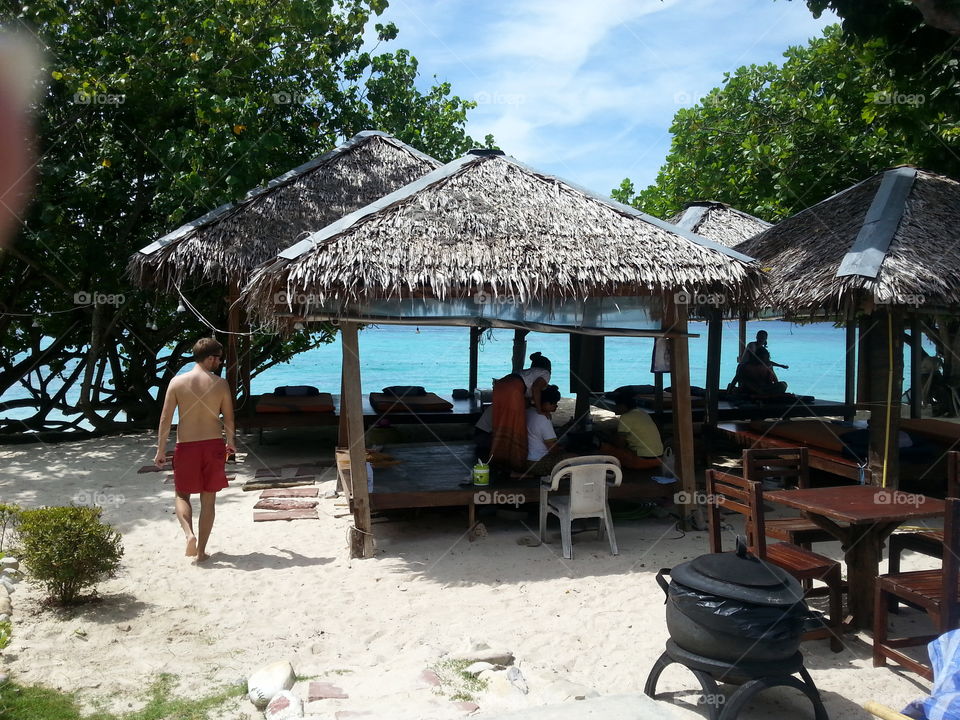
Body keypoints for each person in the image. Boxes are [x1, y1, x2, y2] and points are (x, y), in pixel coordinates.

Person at [154, 337, 235, 562]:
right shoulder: (220, 384)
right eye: (219, 358)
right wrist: (231, 442)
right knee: (208, 500)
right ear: (209, 358)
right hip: (213, 445)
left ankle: (189, 535)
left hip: (186, 447)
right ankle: (201, 552)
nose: (220, 363)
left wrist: (160, 450)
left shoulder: (177, 383)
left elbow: (165, 419)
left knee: (182, 494)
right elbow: (228, 418)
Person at [490, 351, 552, 471]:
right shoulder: (545, 373)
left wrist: (533, 404)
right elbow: (536, 389)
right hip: (513, 389)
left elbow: (528, 398)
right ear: (548, 367)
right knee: (516, 425)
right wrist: (540, 410)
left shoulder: (528, 372)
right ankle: (515, 463)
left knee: (502, 424)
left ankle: (498, 459)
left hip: (499, 386)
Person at [598, 392, 664, 470]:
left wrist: (609, 438)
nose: (615, 407)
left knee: (605, 448)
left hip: (642, 460)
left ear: (623, 406)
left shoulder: (626, 417)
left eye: (617, 405)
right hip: (659, 459)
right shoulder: (643, 413)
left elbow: (620, 444)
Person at [523, 385, 563, 477]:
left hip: (525, 460)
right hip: (538, 463)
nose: (556, 405)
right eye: (554, 403)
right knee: (573, 457)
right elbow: (552, 447)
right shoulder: (543, 418)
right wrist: (561, 451)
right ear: (546, 403)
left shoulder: (528, 412)